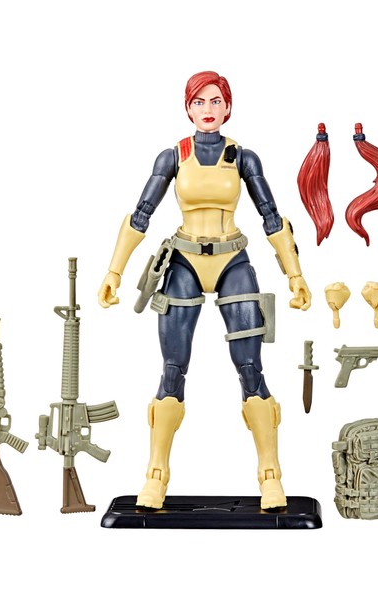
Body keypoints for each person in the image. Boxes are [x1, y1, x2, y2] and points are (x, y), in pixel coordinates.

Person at [97, 71, 311, 510]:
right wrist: (114, 271)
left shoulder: (243, 157)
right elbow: (141, 213)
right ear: (188, 108)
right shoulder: (173, 156)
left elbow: (272, 216)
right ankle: (156, 474)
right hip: (185, 262)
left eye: (215, 101)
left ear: (227, 107)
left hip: (232, 260)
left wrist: (295, 275)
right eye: (199, 102)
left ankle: (270, 474)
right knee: (173, 369)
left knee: (250, 368)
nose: (208, 109)